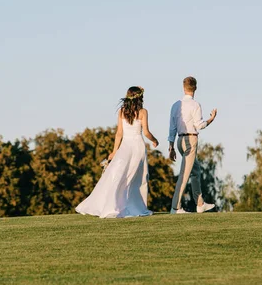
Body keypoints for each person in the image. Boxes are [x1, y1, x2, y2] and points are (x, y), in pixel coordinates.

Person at [76, 86, 159, 218]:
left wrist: (115, 151)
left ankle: (120, 203)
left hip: (125, 145)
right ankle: (136, 206)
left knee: (121, 174)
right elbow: (146, 132)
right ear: (140, 98)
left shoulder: (122, 111)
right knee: (139, 177)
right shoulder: (143, 112)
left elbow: (119, 133)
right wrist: (155, 140)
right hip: (137, 145)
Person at [168, 76, 217, 214]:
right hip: (190, 141)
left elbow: (172, 128)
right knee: (184, 174)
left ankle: (200, 203)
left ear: (184, 88)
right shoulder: (195, 105)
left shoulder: (175, 105)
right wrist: (211, 119)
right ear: (195, 88)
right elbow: (199, 125)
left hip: (179, 141)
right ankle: (175, 207)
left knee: (196, 171)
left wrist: (171, 147)